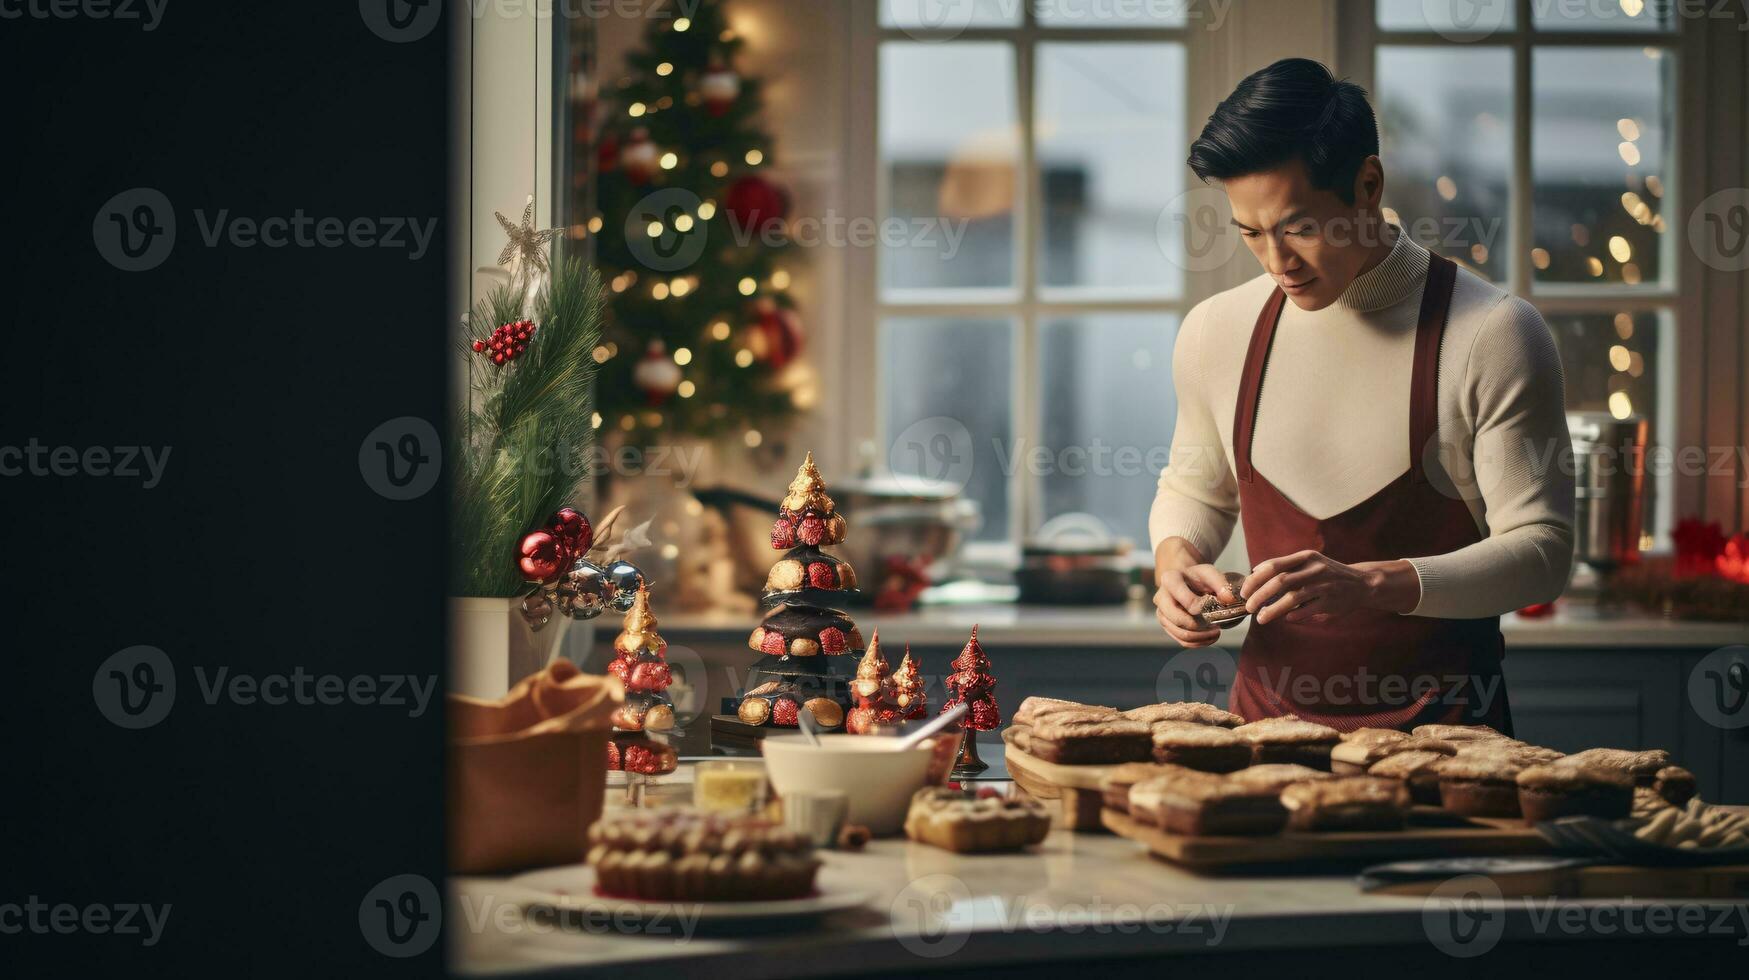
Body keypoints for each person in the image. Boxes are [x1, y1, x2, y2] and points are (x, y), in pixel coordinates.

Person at [1150, 58, 1574, 734]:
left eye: (1298, 227)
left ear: (1366, 186)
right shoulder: (1216, 331)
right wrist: (1176, 565)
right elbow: (1196, 489)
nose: (1275, 261)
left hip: (1447, 746)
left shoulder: (1492, 334)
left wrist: (1371, 585)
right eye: (1250, 233)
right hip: (1262, 740)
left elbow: (1541, 552)